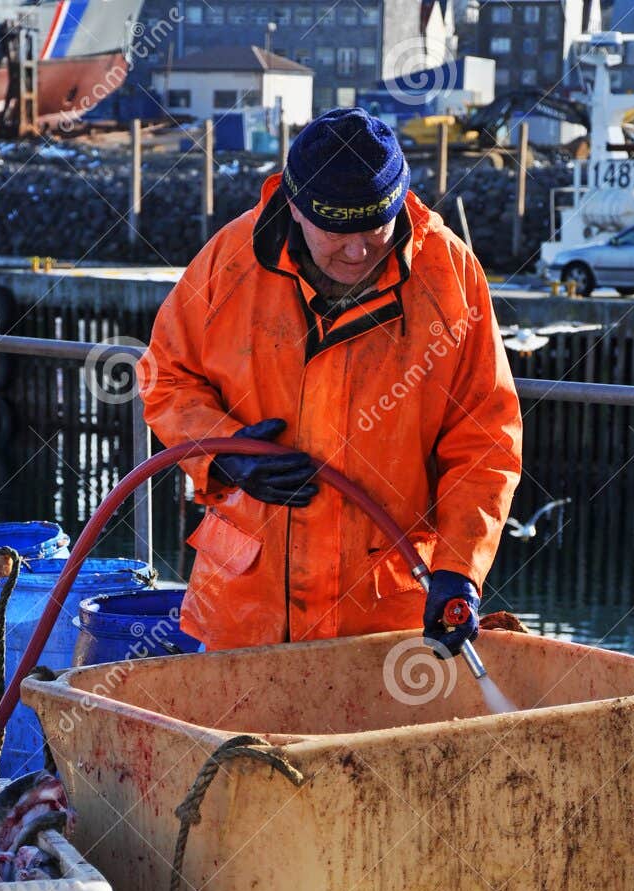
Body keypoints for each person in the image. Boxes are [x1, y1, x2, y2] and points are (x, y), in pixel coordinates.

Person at [138, 107, 522, 656]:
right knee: (234, 746)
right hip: (244, 611)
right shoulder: (228, 261)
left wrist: (459, 569)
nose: (357, 250)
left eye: (375, 229)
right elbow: (165, 376)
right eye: (336, 232)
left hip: (381, 621)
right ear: (294, 207)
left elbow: (486, 442)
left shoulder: (451, 277)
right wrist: (224, 456)